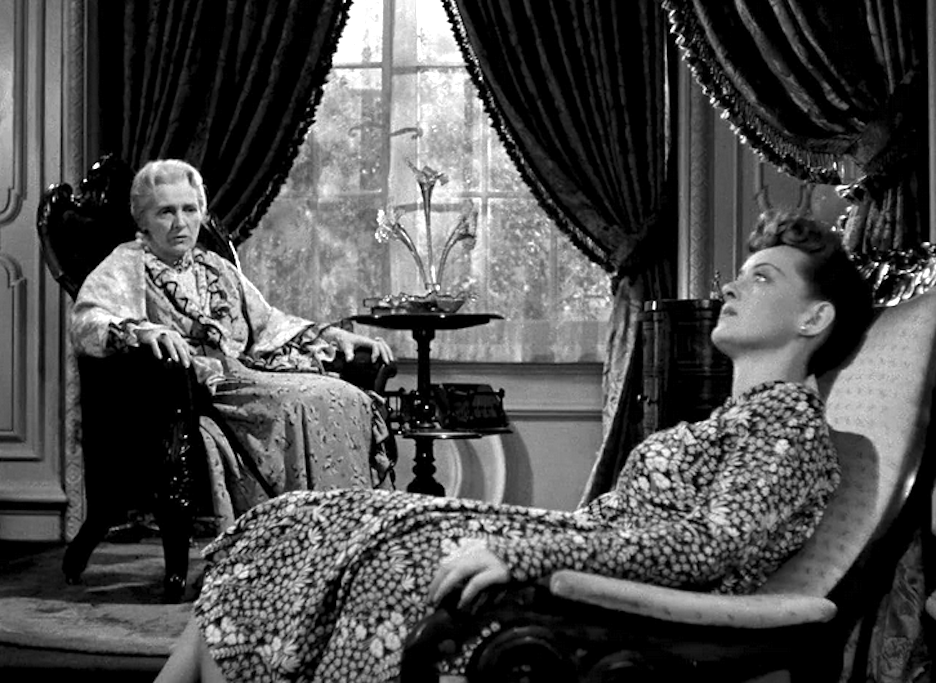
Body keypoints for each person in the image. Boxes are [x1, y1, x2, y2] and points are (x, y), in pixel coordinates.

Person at [153, 210, 874, 682]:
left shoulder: (786, 423)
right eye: (739, 275)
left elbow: (714, 545)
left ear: (814, 317)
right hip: (586, 548)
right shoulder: (734, 418)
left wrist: (531, 553)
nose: (731, 289)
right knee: (299, 516)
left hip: (605, 591)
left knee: (385, 549)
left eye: (762, 277)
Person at [66, 159, 395, 594]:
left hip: (244, 371)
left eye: (189, 209)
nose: (180, 222)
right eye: (165, 212)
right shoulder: (125, 265)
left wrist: (330, 335)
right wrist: (142, 331)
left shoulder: (216, 267)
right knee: (298, 402)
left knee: (342, 395)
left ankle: (345, 546)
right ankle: (287, 552)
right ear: (143, 220)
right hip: (188, 389)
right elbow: (88, 322)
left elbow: (268, 322)